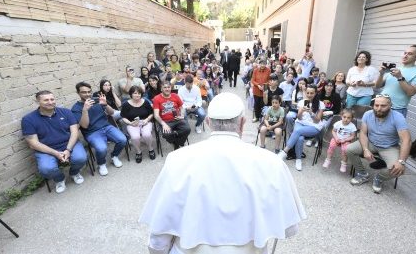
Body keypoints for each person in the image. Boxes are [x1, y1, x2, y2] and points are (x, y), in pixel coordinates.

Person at [139, 92, 306, 254]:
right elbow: (289, 227)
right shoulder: (272, 163)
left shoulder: (176, 160)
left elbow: (159, 234)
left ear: (208, 122)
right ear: (242, 123)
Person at [22, 90, 87, 194]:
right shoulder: (28, 119)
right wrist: (56, 153)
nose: (50, 102)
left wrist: (68, 149)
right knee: (46, 169)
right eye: (46, 100)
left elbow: (75, 132)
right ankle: (60, 179)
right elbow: (33, 143)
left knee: (81, 158)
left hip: (69, 144)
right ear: (37, 102)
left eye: (52, 99)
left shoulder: (66, 112)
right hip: (46, 150)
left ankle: (74, 172)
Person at [347, 94, 411, 193]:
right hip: (371, 143)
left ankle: (379, 178)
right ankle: (363, 174)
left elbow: (406, 140)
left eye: (383, 106)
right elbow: (363, 133)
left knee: (399, 169)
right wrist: (365, 149)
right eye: (376, 105)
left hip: (389, 147)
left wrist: (401, 161)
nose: (379, 109)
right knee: (349, 149)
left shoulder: (398, 117)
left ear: (390, 105)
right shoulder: (368, 114)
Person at [71, 82, 127, 176]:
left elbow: (112, 113)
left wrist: (105, 104)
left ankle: (114, 156)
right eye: (84, 92)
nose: (87, 94)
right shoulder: (76, 108)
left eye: (89, 91)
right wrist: (85, 110)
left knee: (123, 139)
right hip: (92, 132)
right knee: (101, 148)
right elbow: (84, 126)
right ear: (78, 93)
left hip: (106, 126)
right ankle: (101, 164)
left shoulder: (97, 100)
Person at [278, 84, 325, 171]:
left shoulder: (320, 104)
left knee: (298, 131)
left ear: (315, 93)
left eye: (312, 93)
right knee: (299, 138)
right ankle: (298, 159)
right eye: (308, 93)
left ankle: (284, 152)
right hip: (301, 123)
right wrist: (301, 111)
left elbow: (317, 120)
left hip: (313, 126)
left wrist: (311, 113)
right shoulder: (302, 102)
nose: (309, 95)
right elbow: (299, 118)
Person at [375, 44, 416, 117]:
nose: (405, 56)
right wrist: (381, 74)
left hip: (396, 109)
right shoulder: (395, 69)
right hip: (380, 106)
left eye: (410, 54)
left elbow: (411, 92)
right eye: (405, 53)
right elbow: (377, 86)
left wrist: (400, 77)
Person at [120, 86, 155, 163]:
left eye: (139, 93)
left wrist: (147, 119)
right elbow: (123, 117)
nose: (137, 95)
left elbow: (151, 113)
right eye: (135, 93)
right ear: (131, 94)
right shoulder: (126, 104)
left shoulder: (145, 102)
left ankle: (150, 149)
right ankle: (138, 152)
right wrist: (130, 123)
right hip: (132, 123)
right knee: (135, 137)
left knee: (147, 134)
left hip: (145, 121)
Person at [153, 81, 191, 150]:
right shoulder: (157, 98)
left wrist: (182, 115)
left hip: (177, 119)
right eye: (165, 87)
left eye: (168, 87)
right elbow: (156, 115)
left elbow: (181, 108)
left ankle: (178, 142)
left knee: (187, 129)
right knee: (166, 134)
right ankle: (176, 142)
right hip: (166, 122)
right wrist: (163, 124)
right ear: (161, 89)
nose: (167, 89)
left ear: (171, 88)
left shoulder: (175, 96)